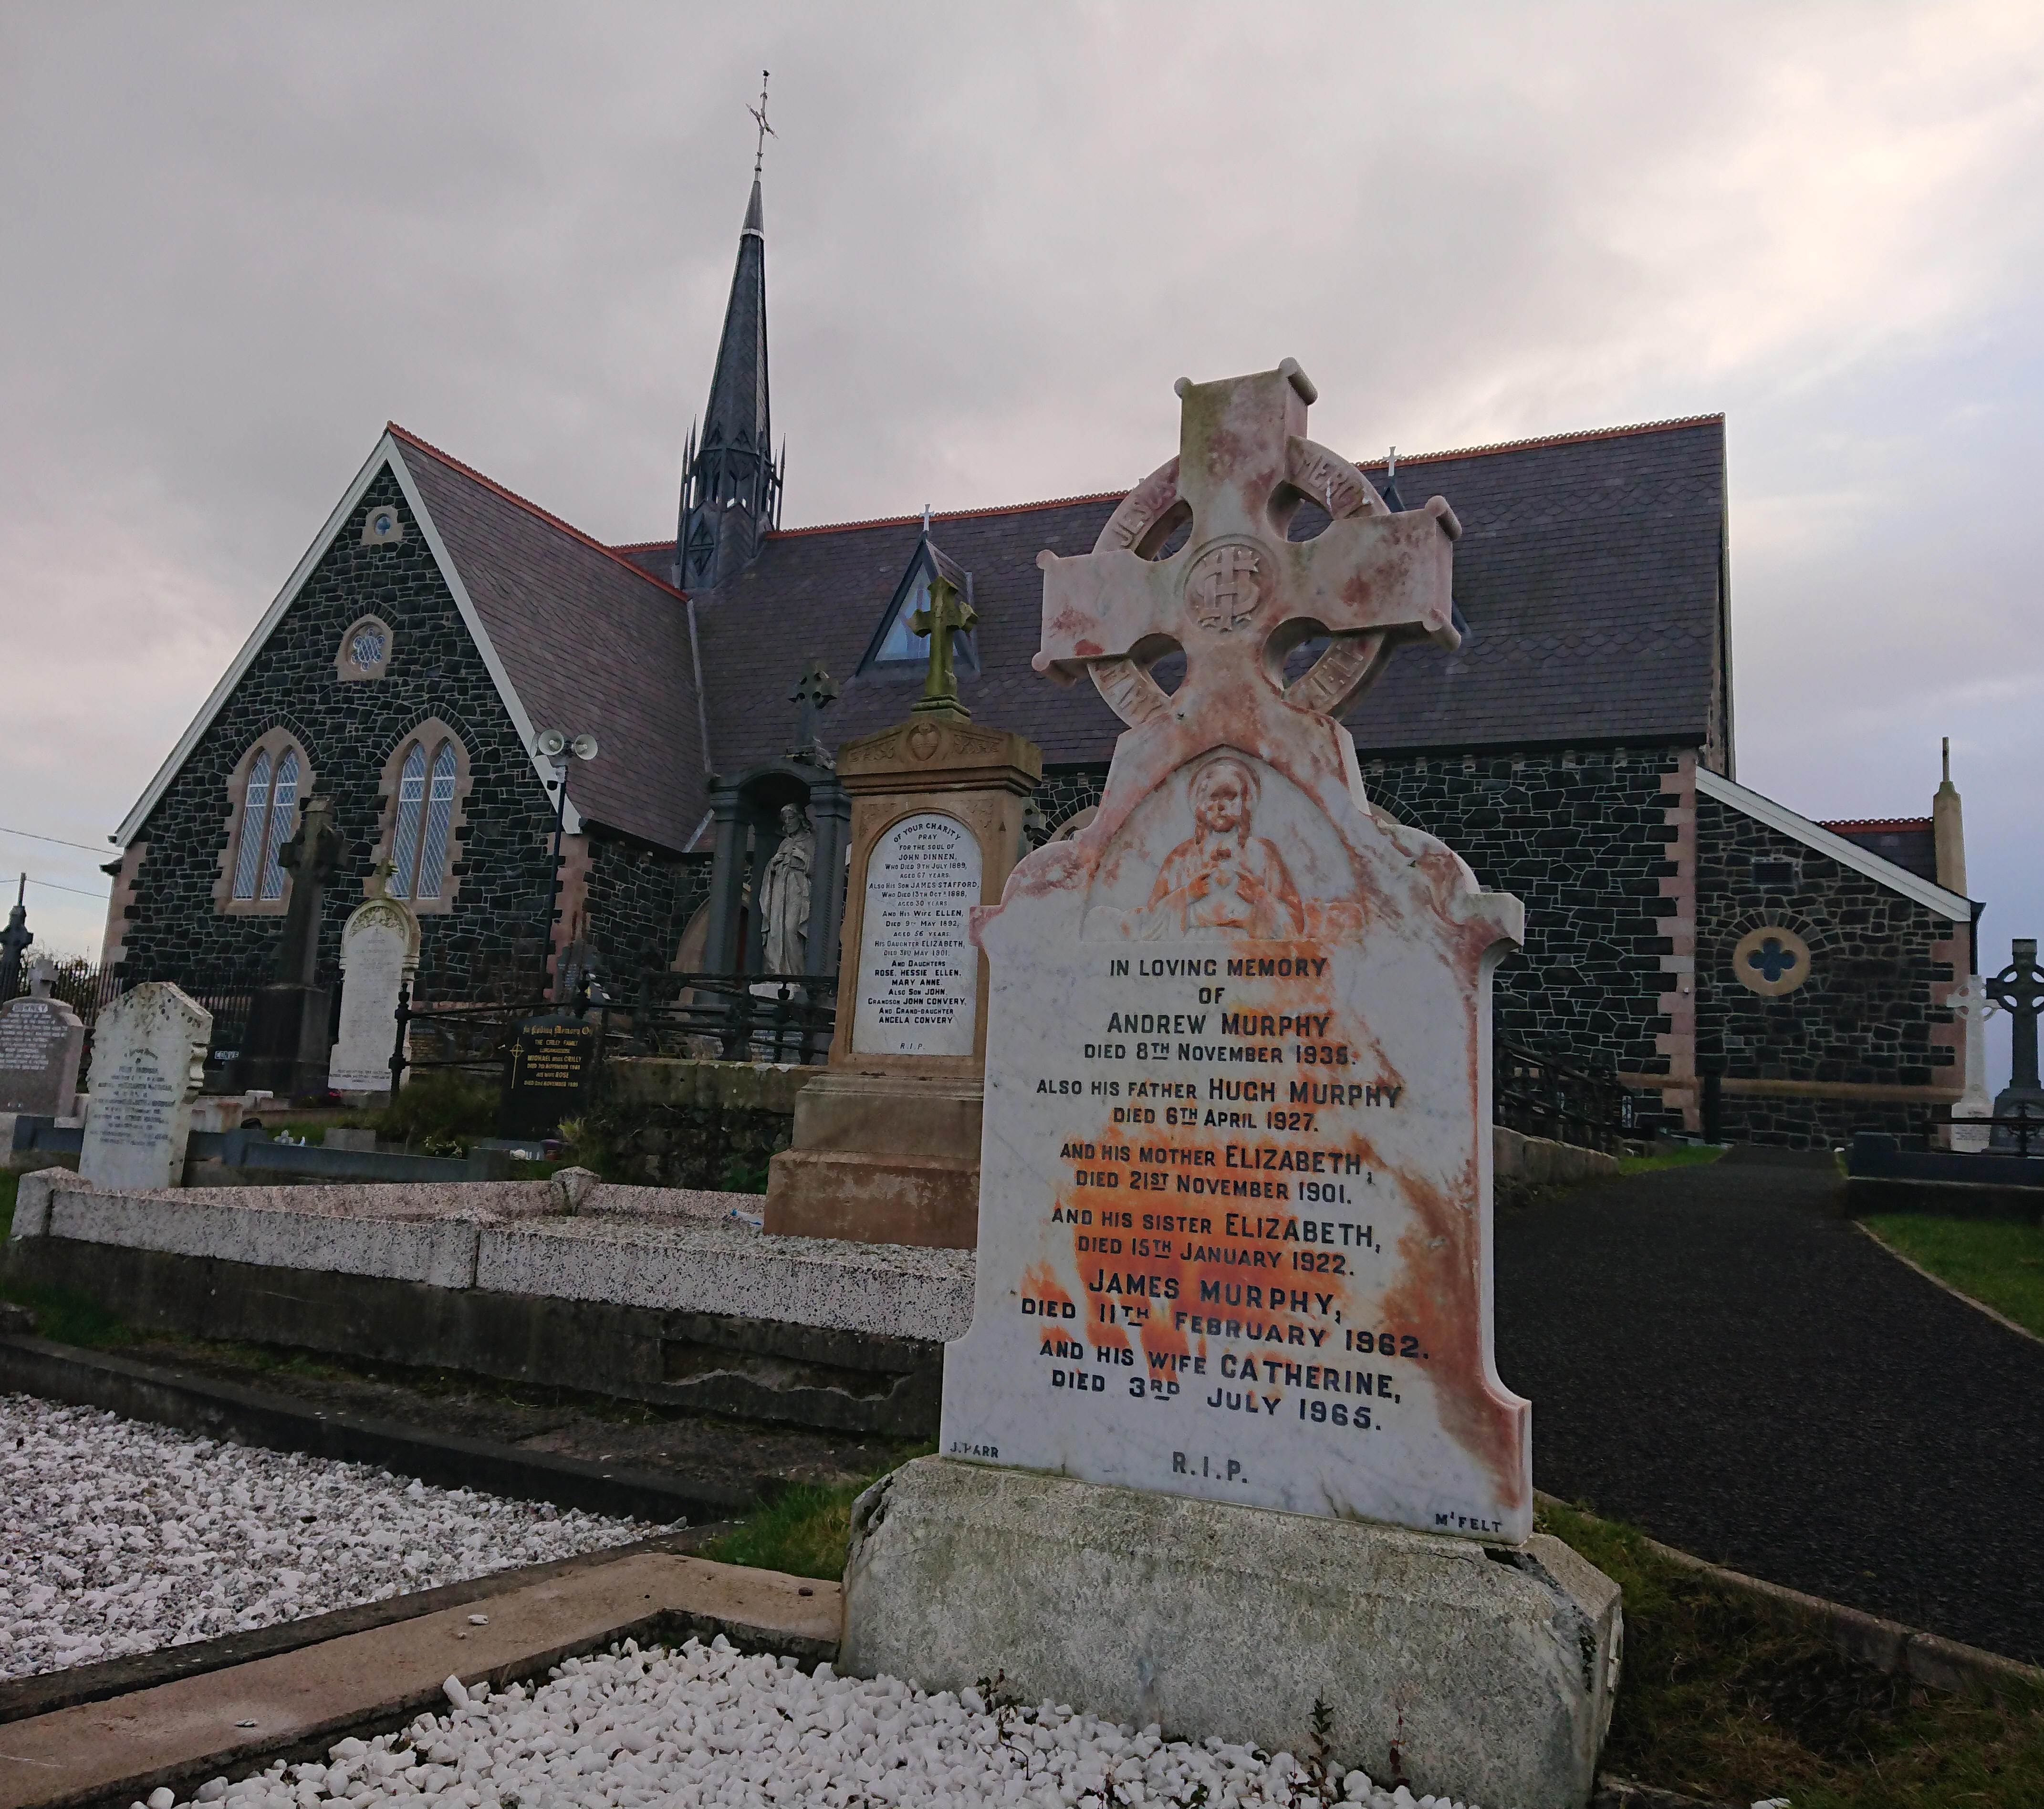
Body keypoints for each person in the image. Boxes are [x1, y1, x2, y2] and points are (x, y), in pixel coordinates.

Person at [1143, 757, 1304, 938]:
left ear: (1244, 803)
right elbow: (1149, 924)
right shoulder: (1181, 857)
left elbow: (1295, 924)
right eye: (1214, 798)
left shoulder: (1264, 854)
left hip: (1249, 951)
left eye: (1230, 798)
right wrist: (1187, 895)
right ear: (1201, 805)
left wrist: (1259, 896)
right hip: (1193, 949)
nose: (1221, 806)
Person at [760, 802, 815, 973]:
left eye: (791, 818)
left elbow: (819, 869)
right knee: (776, 932)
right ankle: (777, 972)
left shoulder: (811, 841)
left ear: (800, 819)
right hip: (779, 889)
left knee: (792, 930)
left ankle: (795, 975)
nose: (788, 822)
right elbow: (771, 870)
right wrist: (773, 864)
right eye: (785, 819)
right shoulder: (784, 843)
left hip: (797, 890)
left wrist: (803, 858)